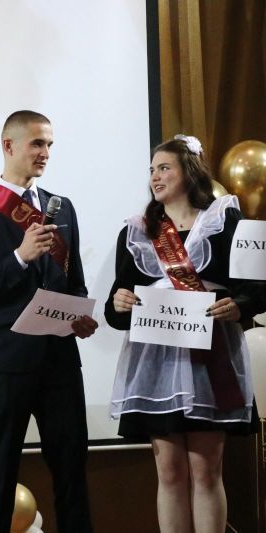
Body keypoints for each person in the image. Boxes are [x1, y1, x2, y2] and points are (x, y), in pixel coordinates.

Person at [105, 135, 264, 533]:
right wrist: (119, 303)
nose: (155, 177)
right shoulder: (138, 232)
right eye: (152, 170)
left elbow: (257, 287)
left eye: (164, 168)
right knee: (170, 472)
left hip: (211, 357)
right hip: (157, 366)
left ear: (189, 172)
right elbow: (116, 308)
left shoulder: (224, 221)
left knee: (206, 470)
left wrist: (239, 306)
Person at [0, 110, 98, 533]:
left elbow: (74, 282)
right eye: (37, 143)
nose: (45, 152)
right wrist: (20, 257)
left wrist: (79, 314)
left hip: (59, 359)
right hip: (5, 362)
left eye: (49, 144)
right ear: (8, 145)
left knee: (71, 470)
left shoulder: (61, 207)